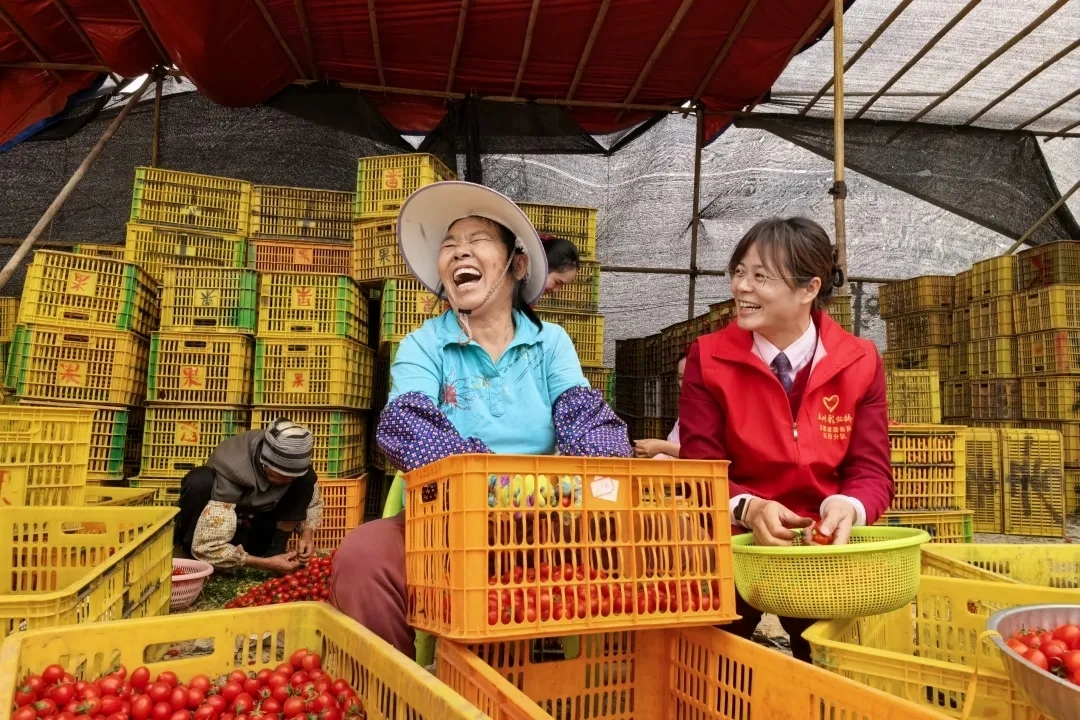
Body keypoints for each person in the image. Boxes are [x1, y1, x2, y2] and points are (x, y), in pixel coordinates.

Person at [330, 181, 631, 659]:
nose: (458, 252)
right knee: (362, 557)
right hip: (443, 520)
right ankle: (400, 690)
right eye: (449, 245)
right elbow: (408, 423)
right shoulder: (423, 345)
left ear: (518, 263)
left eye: (477, 240)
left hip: (544, 520)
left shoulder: (550, 342)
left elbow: (583, 417)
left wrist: (592, 480)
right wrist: (492, 487)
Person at [679, 216, 893, 662]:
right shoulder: (709, 357)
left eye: (760, 277)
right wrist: (747, 507)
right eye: (738, 272)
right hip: (737, 543)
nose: (742, 288)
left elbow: (871, 471)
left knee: (824, 670)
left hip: (822, 548)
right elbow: (700, 470)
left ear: (809, 289)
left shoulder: (860, 361)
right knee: (715, 666)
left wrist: (849, 506)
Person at [173, 418, 323, 575]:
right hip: (227, 523)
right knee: (199, 480)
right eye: (283, 475)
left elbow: (311, 502)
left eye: (292, 476)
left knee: (306, 480)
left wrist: (307, 533)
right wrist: (264, 564)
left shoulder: (298, 468)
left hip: (261, 523)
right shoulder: (232, 466)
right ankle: (188, 555)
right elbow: (207, 547)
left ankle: (275, 550)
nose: (288, 481)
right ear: (266, 463)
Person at [633, 352, 686, 459]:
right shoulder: (687, 409)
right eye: (680, 378)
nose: (683, 383)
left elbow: (700, 454)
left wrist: (661, 447)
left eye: (689, 376)